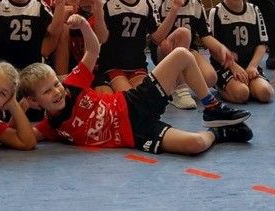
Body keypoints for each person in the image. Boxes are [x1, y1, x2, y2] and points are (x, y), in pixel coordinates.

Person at [19, 14, 253, 155]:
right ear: (33, 101)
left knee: (182, 54)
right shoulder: (50, 127)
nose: (57, 92)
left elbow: (93, 49)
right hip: (136, 134)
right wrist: (16, 106)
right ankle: (220, 132)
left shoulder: (72, 85)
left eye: (55, 84)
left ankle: (212, 108)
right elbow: (23, 138)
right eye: (47, 91)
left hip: (134, 102)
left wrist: (83, 25)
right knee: (197, 144)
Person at [150, 0, 226, 110]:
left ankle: (174, 81)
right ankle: (178, 89)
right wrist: (174, 9)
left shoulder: (195, 1)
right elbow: (156, 38)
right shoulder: (158, 0)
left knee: (211, 78)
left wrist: (221, 49)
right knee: (183, 32)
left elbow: (205, 35)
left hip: (189, 50)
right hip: (164, 50)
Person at [209, 0, 274, 104]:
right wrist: (232, 66)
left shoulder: (254, 10)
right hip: (225, 67)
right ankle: (220, 86)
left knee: (266, 93)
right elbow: (213, 49)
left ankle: (247, 83)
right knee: (242, 94)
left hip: (249, 65)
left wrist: (253, 66)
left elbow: (262, 43)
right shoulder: (216, 12)